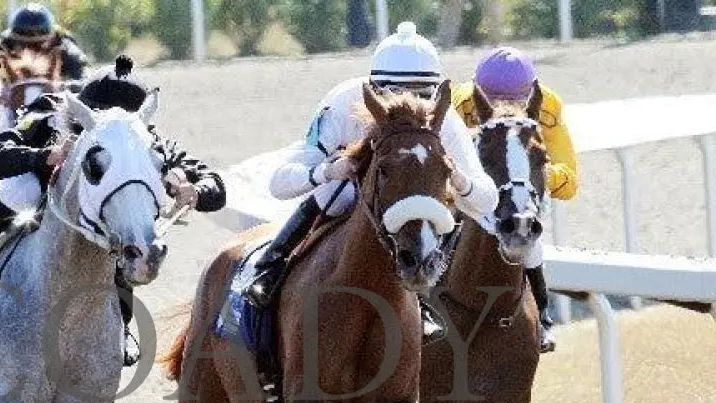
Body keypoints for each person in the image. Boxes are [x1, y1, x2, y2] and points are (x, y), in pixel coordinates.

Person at [0, 55, 225, 365]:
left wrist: (192, 190)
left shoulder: (144, 139)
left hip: (101, 222)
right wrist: (45, 156)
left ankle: (119, 325)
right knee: (18, 193)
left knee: (129, 231)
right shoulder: (49, 111)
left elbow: (214, 185)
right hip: (43, 197)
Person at [244, 21, 497, 344]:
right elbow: (279, 183)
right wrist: (326, 172)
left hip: (413, 203)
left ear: (434, 94)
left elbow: (487, 199)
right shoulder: (342, 102)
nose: (409, 107)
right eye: (396, 95)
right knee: (336, 198)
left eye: (420, 95)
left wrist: (459, 181)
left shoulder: (444, 118)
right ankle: (270, 268)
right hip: (355, 193)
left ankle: (425, 298)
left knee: (444, 209)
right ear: (374, 91)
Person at [453, 46, 579, 352]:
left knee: (525, 220)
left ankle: (543, 317)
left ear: (530, 94)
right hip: (474, 181)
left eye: (513, 100)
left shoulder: (547, 105)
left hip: (522, 184)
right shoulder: (461, 104)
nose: (504, 106)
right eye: (494, 99)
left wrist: (527, 175)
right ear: (478, 92)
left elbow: (570, 182)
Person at [0, 2, 87, 206]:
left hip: (56, 117)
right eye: (24, 45)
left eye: (38, 45)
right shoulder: (5, 45)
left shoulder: (65, 47)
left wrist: (61, 87)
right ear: (13, 39)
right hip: (13, 118)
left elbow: (86, 79)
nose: (30, 50)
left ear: (51, 39)